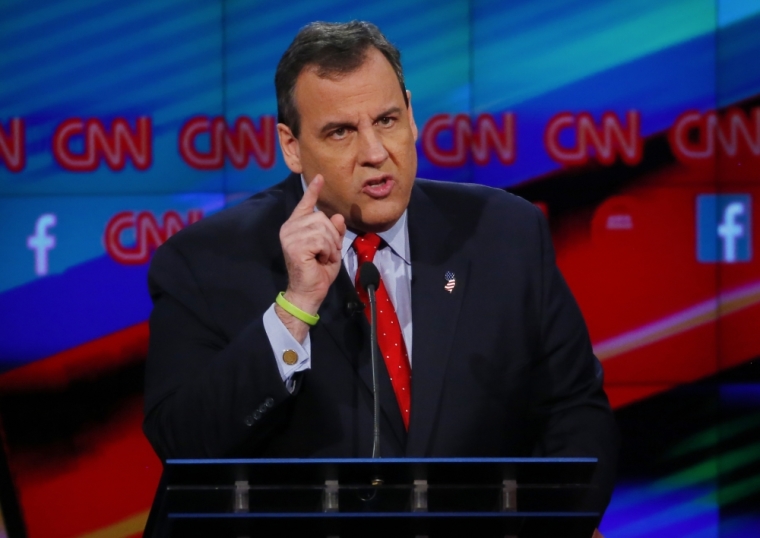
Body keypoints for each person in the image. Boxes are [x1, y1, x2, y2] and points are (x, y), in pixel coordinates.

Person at [143, 20, 619, 520]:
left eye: (387, 120)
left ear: (412, 115)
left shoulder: (505, 234)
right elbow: (182, 446)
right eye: (341, 131)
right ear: (291, 146)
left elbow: (576, 415)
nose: (374, 154)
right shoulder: (205, 262)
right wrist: (294, 310)